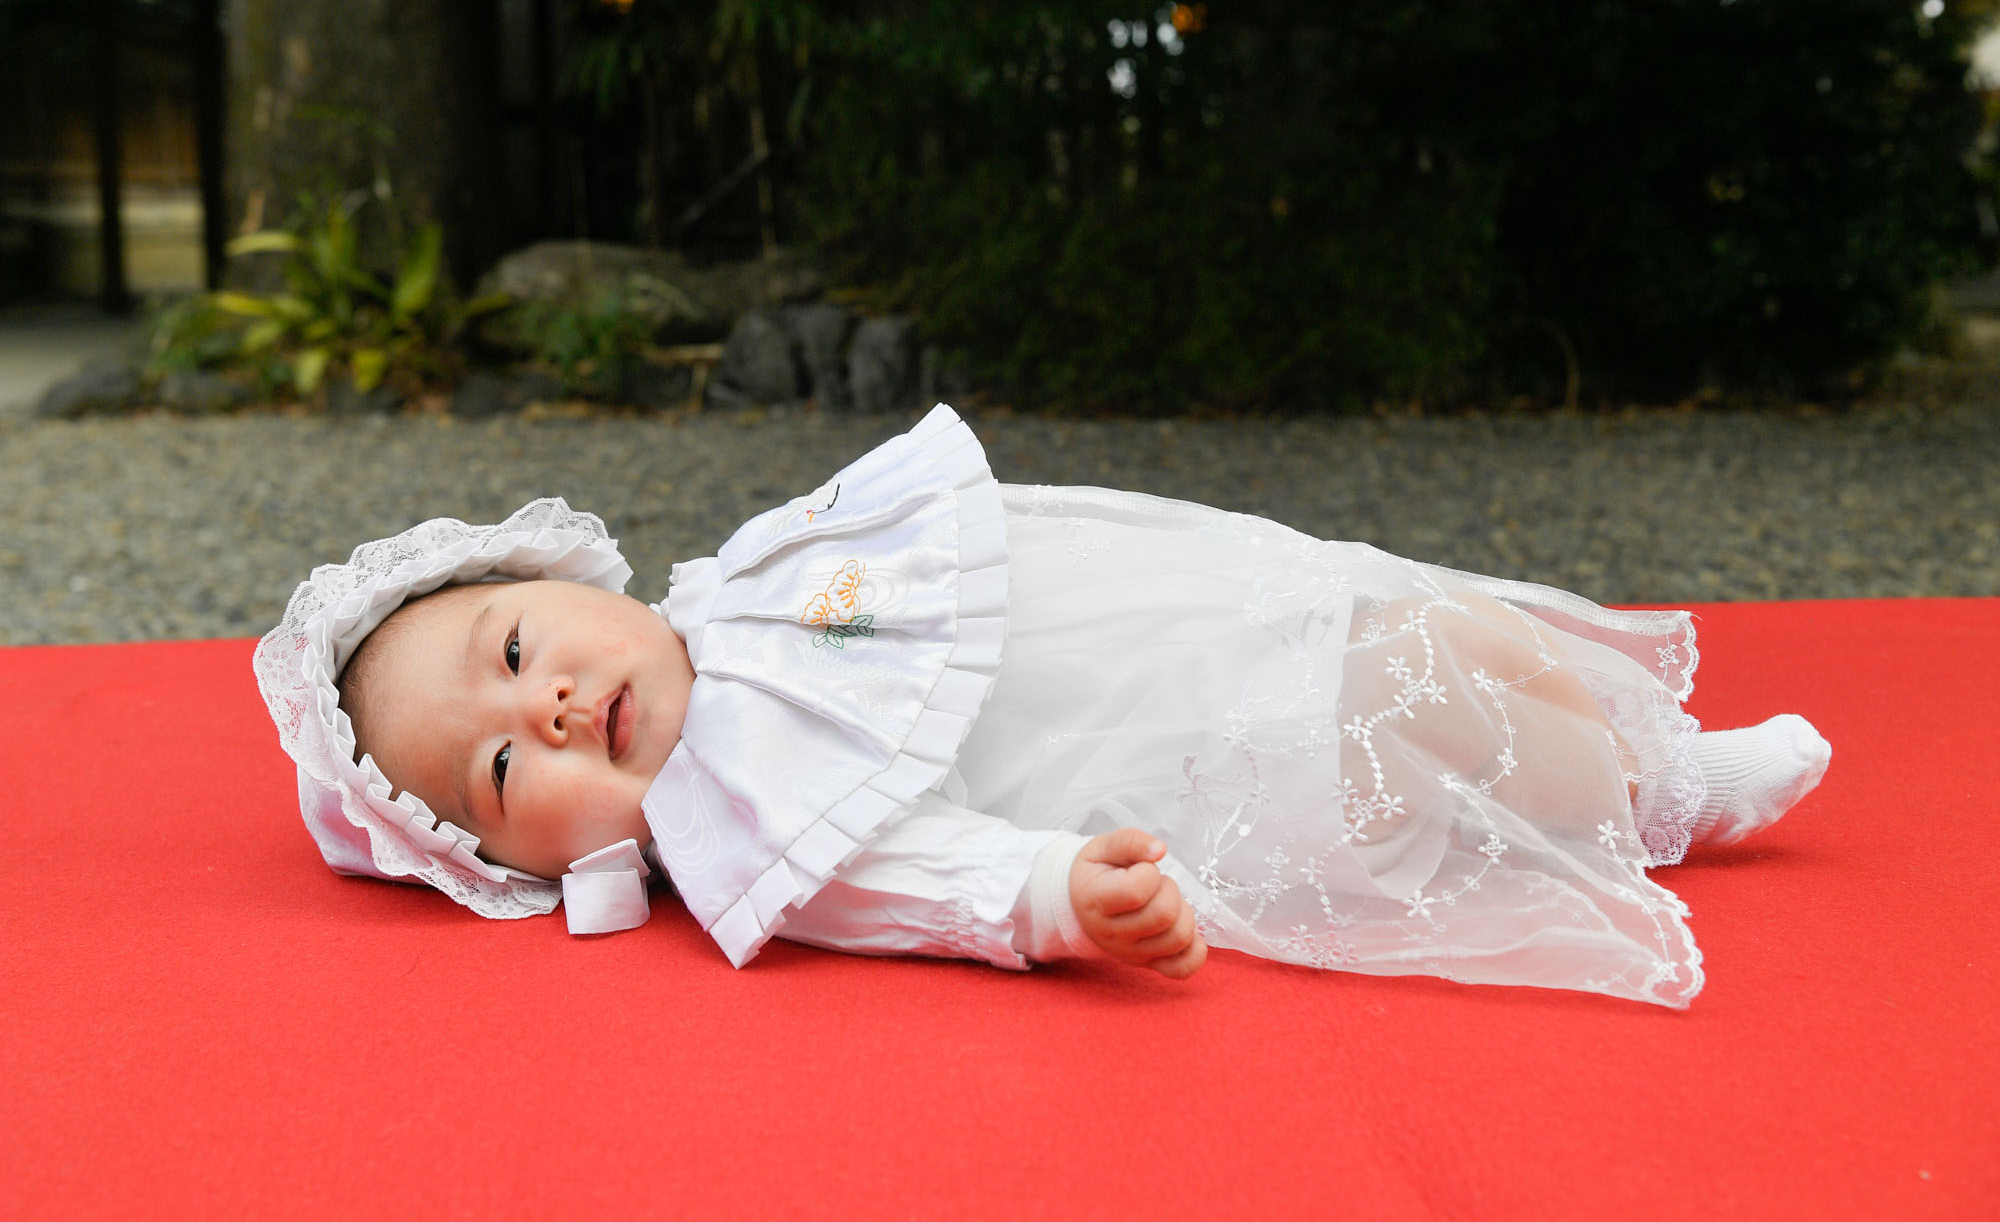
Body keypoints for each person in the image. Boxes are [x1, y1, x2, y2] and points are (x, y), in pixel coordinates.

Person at [256, 405, 1829, 1007]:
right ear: (517, 863)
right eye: (497, 768)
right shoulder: (742, 815)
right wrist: (1049, 897)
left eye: (522, 647)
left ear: (568, 574)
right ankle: (1632, 809)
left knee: (1399, 608)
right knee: (1371, 747)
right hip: (1159, 745)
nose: (548, 710)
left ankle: (1656, 751)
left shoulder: (739, 579)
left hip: (1159, 607)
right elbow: (899, 883)